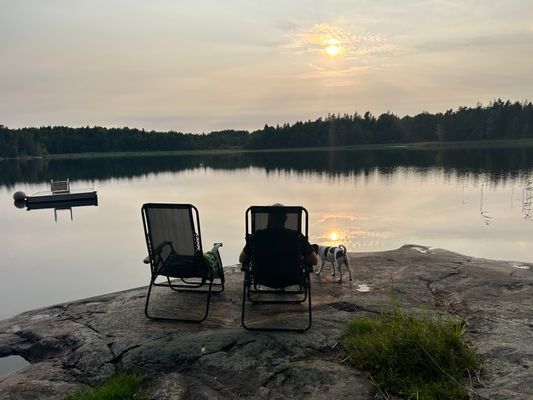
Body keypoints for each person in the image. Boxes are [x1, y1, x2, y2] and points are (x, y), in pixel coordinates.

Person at [239, 203, 318, 267]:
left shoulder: (258, 236)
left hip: (264, 277)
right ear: (285, 218)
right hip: (290, 277)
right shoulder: (295, 236)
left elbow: (242, 259)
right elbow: (314, 261)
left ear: (269, 218)